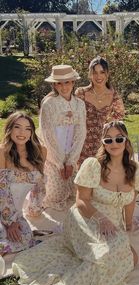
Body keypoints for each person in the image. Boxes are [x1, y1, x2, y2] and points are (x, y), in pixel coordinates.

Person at [12, 121, 139, 285]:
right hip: (85, 217)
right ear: (103, 144)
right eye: (108, 140)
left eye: (119, 139)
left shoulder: (137, 170)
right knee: (106, 254)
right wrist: (101, 219)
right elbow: (81, 200)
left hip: (112, 223)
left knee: (131, 258)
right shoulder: (93, 165)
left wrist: (127, 225)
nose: (114, 144)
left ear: (126, 141)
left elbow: (130, 201)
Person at [40, 64, 86, 211]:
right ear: (54, 84)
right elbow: (48, 135)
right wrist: (59, 163)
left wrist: (71, 161)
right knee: (55, 195)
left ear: (73, 82)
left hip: (71, 153)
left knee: (76, 191)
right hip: (53, 155)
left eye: (67, 82)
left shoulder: (79, 104)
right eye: (59, 83)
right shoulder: (49, 104)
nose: (64, 86)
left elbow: (81, 132)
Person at [0, 111, 46, 255]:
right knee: (3, 236)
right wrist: (9, 222)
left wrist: (35, 208)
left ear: (32, 132)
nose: (22, 133)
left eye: (28, 129)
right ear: (10, 129)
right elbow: (2, 189)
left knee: (25, 238)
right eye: (17, 127)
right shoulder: (2, 151)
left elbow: (39, 185)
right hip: (4, 208)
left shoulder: (41, 151)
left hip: (17, 213)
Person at [75, 56, 125, 166]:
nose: (98, 76)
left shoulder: (114, 96)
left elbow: (118, 120)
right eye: (95, 73)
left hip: (104, 147)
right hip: (82, 147)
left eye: (102, 72)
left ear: (107, 74)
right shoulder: (81, 93)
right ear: (90, 74)